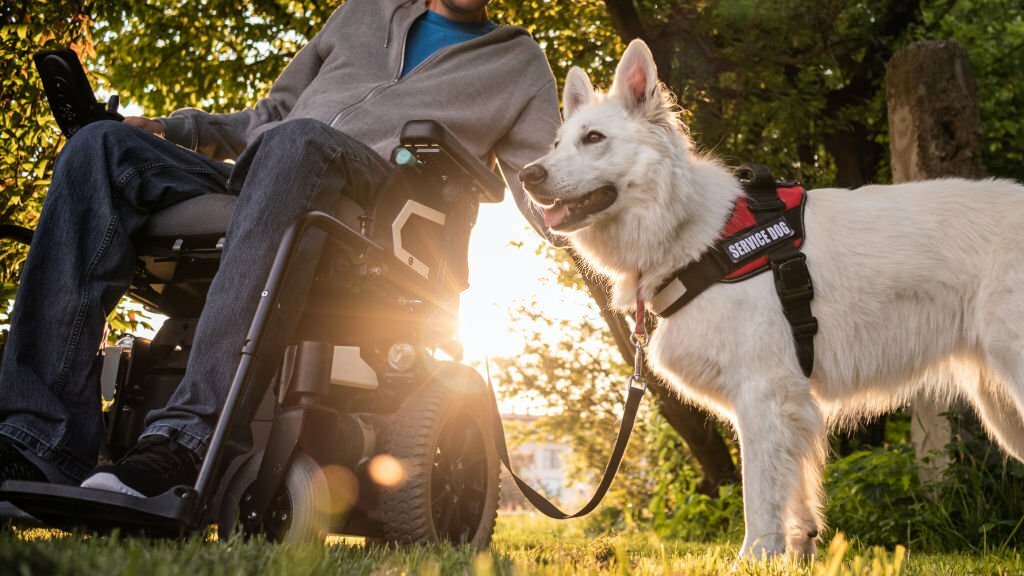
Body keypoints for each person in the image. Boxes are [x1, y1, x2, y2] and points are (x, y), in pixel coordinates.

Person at [0, 0, 559, 498]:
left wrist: (607, 231)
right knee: (98, 147)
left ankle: (186, 438)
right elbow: (271, 116)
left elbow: (551, 182)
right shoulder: (361, 11)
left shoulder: (518, 63)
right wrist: (175, 129)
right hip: (266, 173)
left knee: (299, 142)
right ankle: (37, 439)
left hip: (379, 205)